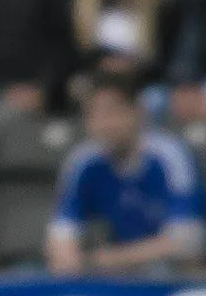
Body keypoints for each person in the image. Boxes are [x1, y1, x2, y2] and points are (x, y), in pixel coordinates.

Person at [46, 69, 199, 271]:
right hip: (120, 275)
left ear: (137, 111)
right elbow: (61, 233)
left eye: (112, 112)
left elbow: (187, 241)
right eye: (93, 114)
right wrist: (68, 258)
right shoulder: (84, 162)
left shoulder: (169, 156)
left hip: (175, 276)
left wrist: (106, 259)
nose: (104, 124)